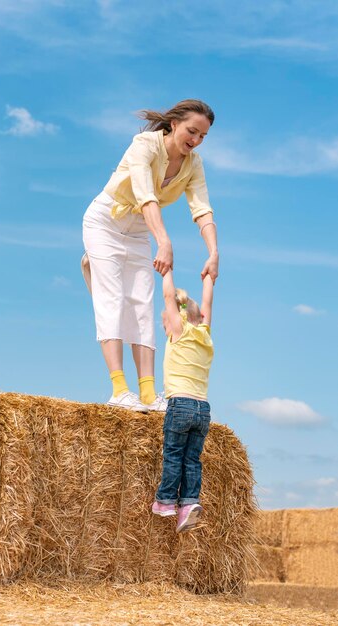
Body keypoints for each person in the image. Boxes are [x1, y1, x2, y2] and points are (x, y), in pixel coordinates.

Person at [82, 99, 218, 412]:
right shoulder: (144, 145)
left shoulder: (193, 164)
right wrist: (164, 241)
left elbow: (202, 208)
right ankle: (119, 390)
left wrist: (213, 252)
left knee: (142, 304)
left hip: (140, 230)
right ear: (174, 124)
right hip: (106, 221)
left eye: (202, 137)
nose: (195, 140)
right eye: (192, 131)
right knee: (112, 299)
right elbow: (145, 195)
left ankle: (147, 394)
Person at [152, 270, 214, 533]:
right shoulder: (204, 334)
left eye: (165, 321)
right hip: (203, 409)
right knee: (192, 459)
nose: (165, 326)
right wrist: (209, 278)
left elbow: (169, 295)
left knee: (173, 455)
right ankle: (189, 503)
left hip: (181, 405)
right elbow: (207, 304)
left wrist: (166, 272)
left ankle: (166, 501)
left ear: (176, 318)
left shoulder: (180, 332)